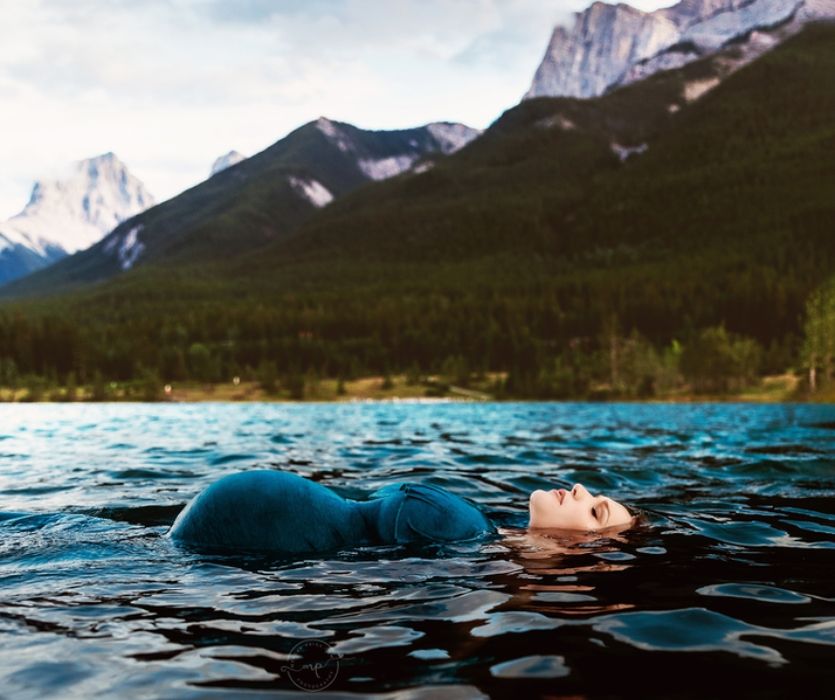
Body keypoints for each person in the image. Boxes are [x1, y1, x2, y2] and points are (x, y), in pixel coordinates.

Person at [167, 470, 633, 554]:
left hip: (244, 540)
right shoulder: (479, 535)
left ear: (582, 548)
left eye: (595, 512)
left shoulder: (469, 542)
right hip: (237, 534)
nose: (579, 488)